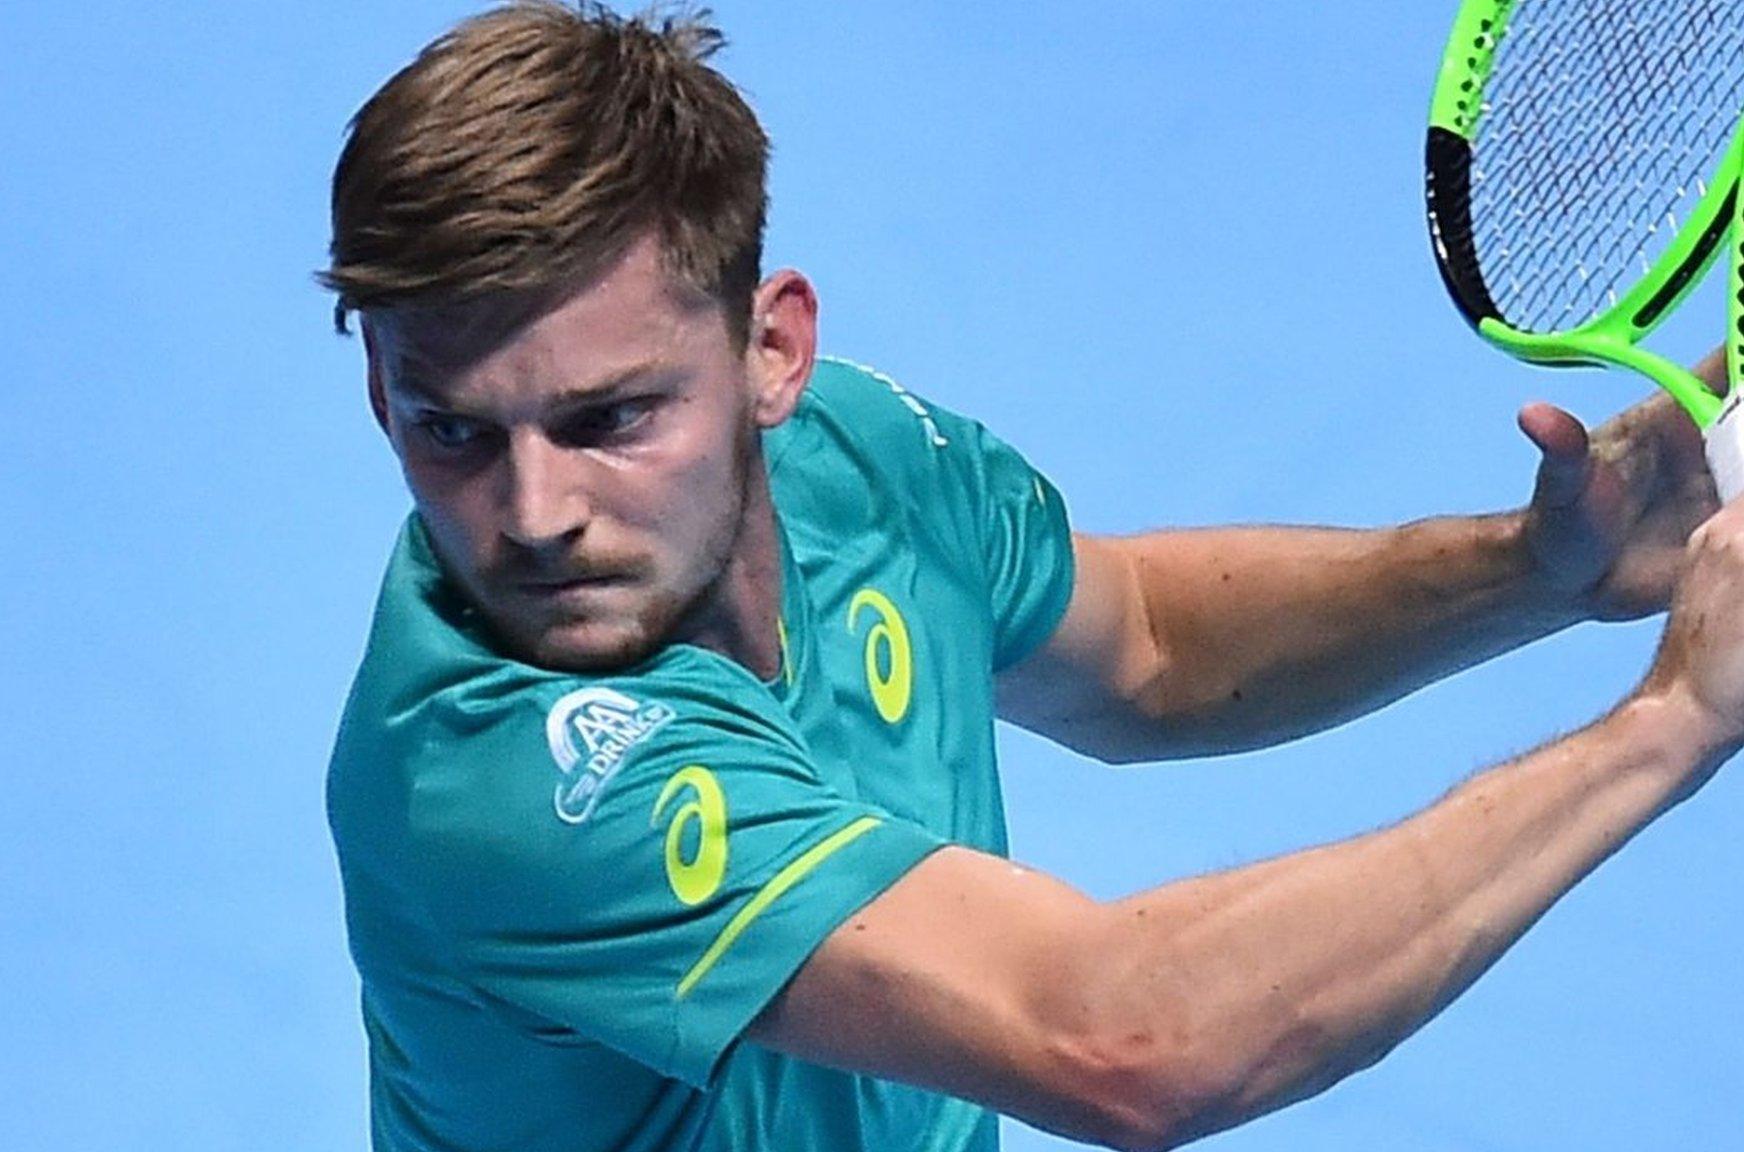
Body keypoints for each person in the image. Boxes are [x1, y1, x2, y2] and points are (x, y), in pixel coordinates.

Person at [319, 4, 1738, 1149]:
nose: (533, 514)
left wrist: (1535, 568)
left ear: (772, 354)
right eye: (452, 431)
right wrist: (1670, 718)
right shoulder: (502, 781)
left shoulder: (859, 461)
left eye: (608, 419)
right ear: (384, 401)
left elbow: (1155, 649)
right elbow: (1127, 1044)